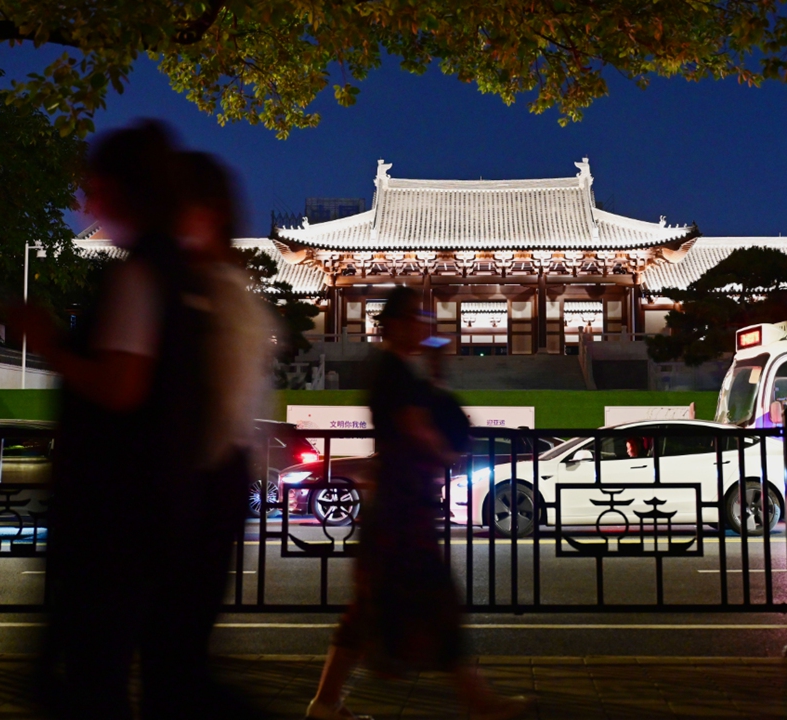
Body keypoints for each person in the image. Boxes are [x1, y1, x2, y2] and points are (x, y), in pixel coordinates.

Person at [14, 121, 219, 720]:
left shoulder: (134, 273)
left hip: (112, 514)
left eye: (92, 183)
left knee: (94, 674)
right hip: (157, 506)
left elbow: (121, 385)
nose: (83, 199)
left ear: (119, 188)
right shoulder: (179, 272)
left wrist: (49, 342)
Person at [306, 286, 527, 720]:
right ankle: (478, 700)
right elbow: (416, 425)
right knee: (434, 599)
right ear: (391, 324)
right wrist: (445, 454)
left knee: (370, 606)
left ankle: (325, 704)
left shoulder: (402, 369)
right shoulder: (392, 370)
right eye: (413, 316)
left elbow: (428, 411)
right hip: (401, 504)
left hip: (398, 501)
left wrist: (436, 372)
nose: (421, 324)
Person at [137, 151, 276, 720]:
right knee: (179, 649)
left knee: (176, 651)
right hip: (213, 477)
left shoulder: (207, 289)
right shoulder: (219, 286)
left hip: (199, 482)